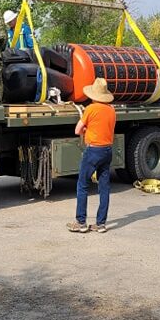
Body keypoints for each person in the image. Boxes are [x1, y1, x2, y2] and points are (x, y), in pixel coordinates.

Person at [67, 78, 115, 234]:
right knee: (104, 187)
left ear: (94, 95)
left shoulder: (91, 109)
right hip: (107, 150)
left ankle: (81, 222)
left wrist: (86, 130)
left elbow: (77, 130)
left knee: (82, 185)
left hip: (93, 151)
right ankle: (101, 224)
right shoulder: (112, 110)